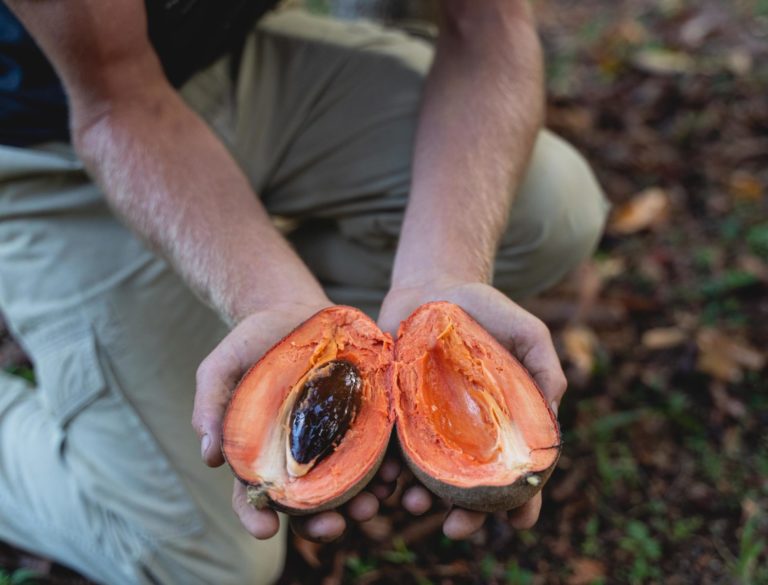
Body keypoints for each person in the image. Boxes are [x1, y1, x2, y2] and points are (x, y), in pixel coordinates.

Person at [0, 0, 608, 583]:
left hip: (229, 61)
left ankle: (270, 312)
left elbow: (488, 25)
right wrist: (266, 298)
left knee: (549, 210)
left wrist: (442, 275)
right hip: (50, 133)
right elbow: (118, 101)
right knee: (206, 568)